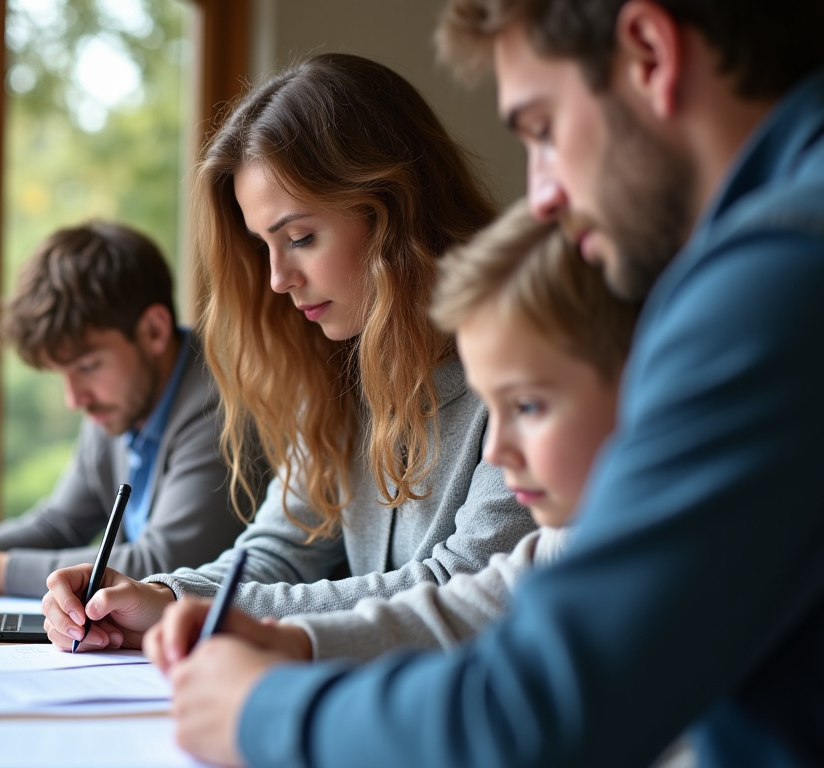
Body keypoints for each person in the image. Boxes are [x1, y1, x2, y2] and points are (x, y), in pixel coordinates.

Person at [163, 2, 824, 767]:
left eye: (540, 129)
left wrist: (261, 712)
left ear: (651, 53)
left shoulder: (788, 274)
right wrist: (289, 638)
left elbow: (543, 705)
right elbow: (514, 595)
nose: (543, 198)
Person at [38, 53, 535, 653]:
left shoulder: (529, 371)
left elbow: (465, 592)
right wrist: (162, 595)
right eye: (264, 245)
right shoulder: (333, 372)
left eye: (300, 238)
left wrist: (209, 615)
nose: (276, 279)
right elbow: (280, 549)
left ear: (394, 213)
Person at [144, 202, 638, 667]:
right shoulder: (557, 545)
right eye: (261, 247)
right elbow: (462, 608)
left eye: (301, 237)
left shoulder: (636, 545)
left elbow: (463, 613)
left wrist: (275, 696)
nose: (495, 449)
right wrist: (177, 598)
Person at [0, 221, 261, 598]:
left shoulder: (222, 407)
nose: (74, 399)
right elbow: (59, 525)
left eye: (86, 366)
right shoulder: (119, 404)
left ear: (154, 331)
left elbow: (163, 562)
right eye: (60, 373)